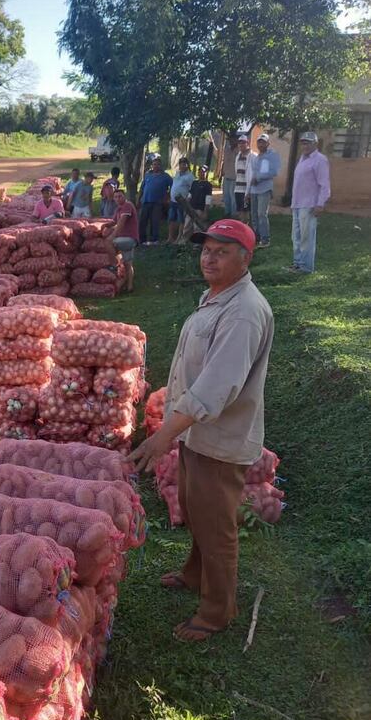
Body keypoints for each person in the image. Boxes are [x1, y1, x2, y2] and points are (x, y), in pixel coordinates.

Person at [129, 219, 274, 642]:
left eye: (222, 251)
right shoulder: (216, 296)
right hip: (197, 433)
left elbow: (215, 388)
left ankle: (217, 610)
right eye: (206, 249)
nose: (209, 257)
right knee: (195, 510)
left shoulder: (244, 312)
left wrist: (162, 435)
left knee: (216, 526)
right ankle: (195, 573)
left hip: (219, 439)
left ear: (245, 258)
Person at [288, 132, 331, 274]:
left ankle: (306, 267)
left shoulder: (320, 160)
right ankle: (297, 264)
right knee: (296, 236)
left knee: (307, 237)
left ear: (315, 144)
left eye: (308, 143)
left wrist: (320, 204)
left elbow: (324, 184)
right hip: (298, 204)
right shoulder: (302, 159)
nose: (304, 146)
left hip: (310, 204)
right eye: (303, 143)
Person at [244, 134, 280, 248]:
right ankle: (256, 237)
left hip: (264, 189)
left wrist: (259, 178)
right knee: (254, 215)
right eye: (259, 142)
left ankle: (265, 239)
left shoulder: (272, 155)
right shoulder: (256, 157)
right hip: (254, 190)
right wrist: (248, 191)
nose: (260, 144)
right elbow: (252, 174)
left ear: (268, 143)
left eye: (263, 142)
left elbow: (274, 172)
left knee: (261, 214)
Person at [138, 156, 172, 245]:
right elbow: (142, 188)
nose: (155, 166)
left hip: (158, 203)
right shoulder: (147, 175)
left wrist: (167, 197)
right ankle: (142, 239)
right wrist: (138, 199)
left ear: (161, 166)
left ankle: (154, 240)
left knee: (155, 221)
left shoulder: (166, 176)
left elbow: (173, 187)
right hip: (145, 201)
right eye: (154, 164)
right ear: (152, 166)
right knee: (143, 221)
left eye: (157, 165)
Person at [109, 189, 138, 292]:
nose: (118, 198)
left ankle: (113, 265)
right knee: (128, 264)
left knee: (109, 242)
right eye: (116, 197)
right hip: (125, 239)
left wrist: (112, 235)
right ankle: (129, 287)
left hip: (129, 239)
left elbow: (121, 222)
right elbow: (113, 222)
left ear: (124, 196)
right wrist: (103, 226)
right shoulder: (119, 209)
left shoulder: (127, 206)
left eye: (120, 196)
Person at [181, 165, 214, 241]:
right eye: (200, 171)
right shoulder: (194, 183)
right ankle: (184, 241)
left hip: (200, 209)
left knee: (197, 227)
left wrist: (205, 211)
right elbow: (190, 195)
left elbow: (208, 199)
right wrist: (186, 206)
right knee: (187, 225)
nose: (201, 173)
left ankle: (197, 244)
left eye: (203, 172)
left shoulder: (208, 185)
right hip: (191, 208)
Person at [168, 157, 194, 244]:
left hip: (182, 201)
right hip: (173, 200)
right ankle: (170, 237)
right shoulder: (177, 173)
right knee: (171, 218)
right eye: (181, 164)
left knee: (181, 219)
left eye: (184, 164)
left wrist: (188, 199)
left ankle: (179, 237)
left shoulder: (190, 176)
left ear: (187, 165)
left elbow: (192, 189)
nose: (182, 166)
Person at [231, 135, 253, 220]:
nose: (241, 145)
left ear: (247, 143)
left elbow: (252, 173)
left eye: (243, 143)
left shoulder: (252, 156)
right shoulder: (238, 156)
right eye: (239, 143)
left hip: (246, 189)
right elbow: (237, 171)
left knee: (246, 211)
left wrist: (249, 191)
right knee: (239, 210)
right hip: (238, 188)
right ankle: (241, 228)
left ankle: (246, 229)